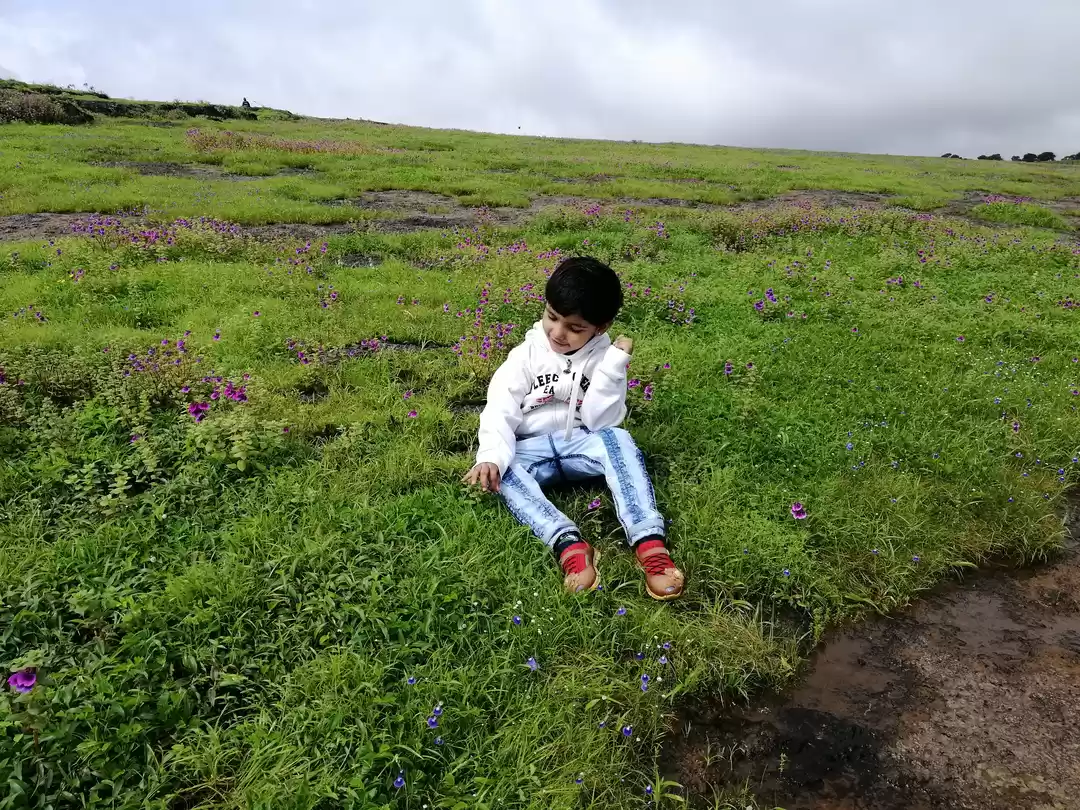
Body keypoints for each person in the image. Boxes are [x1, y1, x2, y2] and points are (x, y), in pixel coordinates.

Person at [463, 256, 685, 599]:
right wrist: (491, 455)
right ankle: (569, 545)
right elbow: (500, 407)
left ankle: (649, 543)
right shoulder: (525, 355)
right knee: (502, 471)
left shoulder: (604, 358)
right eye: (552, 317)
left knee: (618, 438)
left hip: (582, 441)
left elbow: (601, 421)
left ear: (600, 326)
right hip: (530, 446)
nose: (557, 333)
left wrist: (613, 367)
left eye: (574, 328)